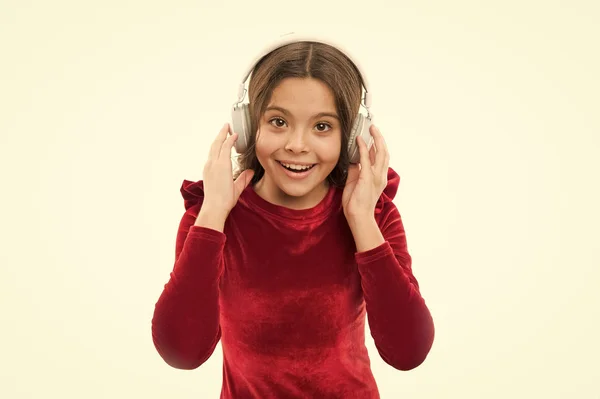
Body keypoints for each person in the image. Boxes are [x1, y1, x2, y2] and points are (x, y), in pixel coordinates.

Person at [151, 34, 435, 399]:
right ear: (249, 126)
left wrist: (361, 219)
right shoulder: (211, 217)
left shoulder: (373, 215)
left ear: (350, 138)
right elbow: (182, 352)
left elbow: (408, 352)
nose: (297, 144)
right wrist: (213, 217)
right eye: (278, 122)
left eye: (322, 127)